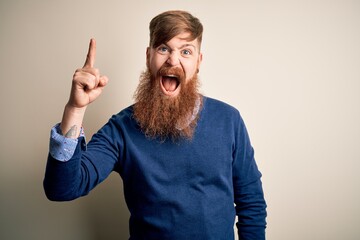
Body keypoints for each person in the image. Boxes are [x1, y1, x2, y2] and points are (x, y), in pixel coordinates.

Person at [43, 10, 267, 240]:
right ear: (149, 56)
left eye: (186, 51)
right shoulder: (121, 129)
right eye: (163, 48)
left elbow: (252, 204)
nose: (172, 60)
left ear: (198, 62)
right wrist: (75, 109)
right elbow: (61, 189)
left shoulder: (229, 120)